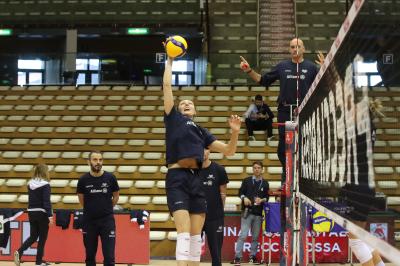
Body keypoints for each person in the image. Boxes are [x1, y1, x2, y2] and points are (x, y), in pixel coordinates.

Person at [163, 51, 241, 266]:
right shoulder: (173, 120)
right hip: (177, 177)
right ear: (177, 109)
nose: (186, 104)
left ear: (195, 110)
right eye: (183, 103)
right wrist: (170, 60)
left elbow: (229, 151)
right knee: (184, 232)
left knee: (197, 236)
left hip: (196, 180)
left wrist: (234, 132)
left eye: (190, 102)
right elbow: (167, 87)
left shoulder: (201, 131)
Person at [239, 38, 322, 176]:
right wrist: (249, 70)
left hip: (305, 110)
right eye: (292, 47)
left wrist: (325, 68)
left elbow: (324, 86)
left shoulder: (312, 67)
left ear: (304, 49)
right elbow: (263, 80)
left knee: (304, 142)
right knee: (283, 148)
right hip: (285, 110)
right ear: (289, 50)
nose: (295, 49)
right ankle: (287, 174)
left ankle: (303, 175)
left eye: (298, 46)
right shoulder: (282, 66)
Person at [77, 150, 120, 266]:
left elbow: (116, 197)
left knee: (109, 257)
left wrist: (106, 208)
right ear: (89, 162)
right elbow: (81, 200)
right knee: (90, 257)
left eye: (100, 160)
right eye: (95, 160)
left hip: (107, 221)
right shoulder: (83, 180)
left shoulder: (110, 178)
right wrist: (91, 210)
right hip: (89, 222)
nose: (98, 162)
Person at [14, 164, 53, 266]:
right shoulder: (46, 185)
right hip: (42, 213)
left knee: (33, 236)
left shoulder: (30, 184)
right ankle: (38, 261)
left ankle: (19, 251)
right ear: (45, 172)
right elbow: (46, 202)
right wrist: (50, 215)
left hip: (31, 212)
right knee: (43, 237)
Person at [231, 161, 269, 265]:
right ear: (253, 169)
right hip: (247, 212)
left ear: (262, 169)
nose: (257, 169)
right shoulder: (246, 181)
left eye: (259, 168)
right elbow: (240, 193)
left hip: (258, 213)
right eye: (255, 168)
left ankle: (253, 256)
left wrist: (262, 200)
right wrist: (244, 198)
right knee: (243, 235)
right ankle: (237, 257)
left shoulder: (265, 183)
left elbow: (267, 197)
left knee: (255, 237)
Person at [200, 149, 229, 266]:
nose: (202, 152)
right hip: (196, 216)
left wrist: (219, 212)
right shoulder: (192, 170)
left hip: (215, 217)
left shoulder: (219, 170)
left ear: (209, 151)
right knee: (192, 252)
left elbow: (223, 194)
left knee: (216, 254)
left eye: (205, 150)